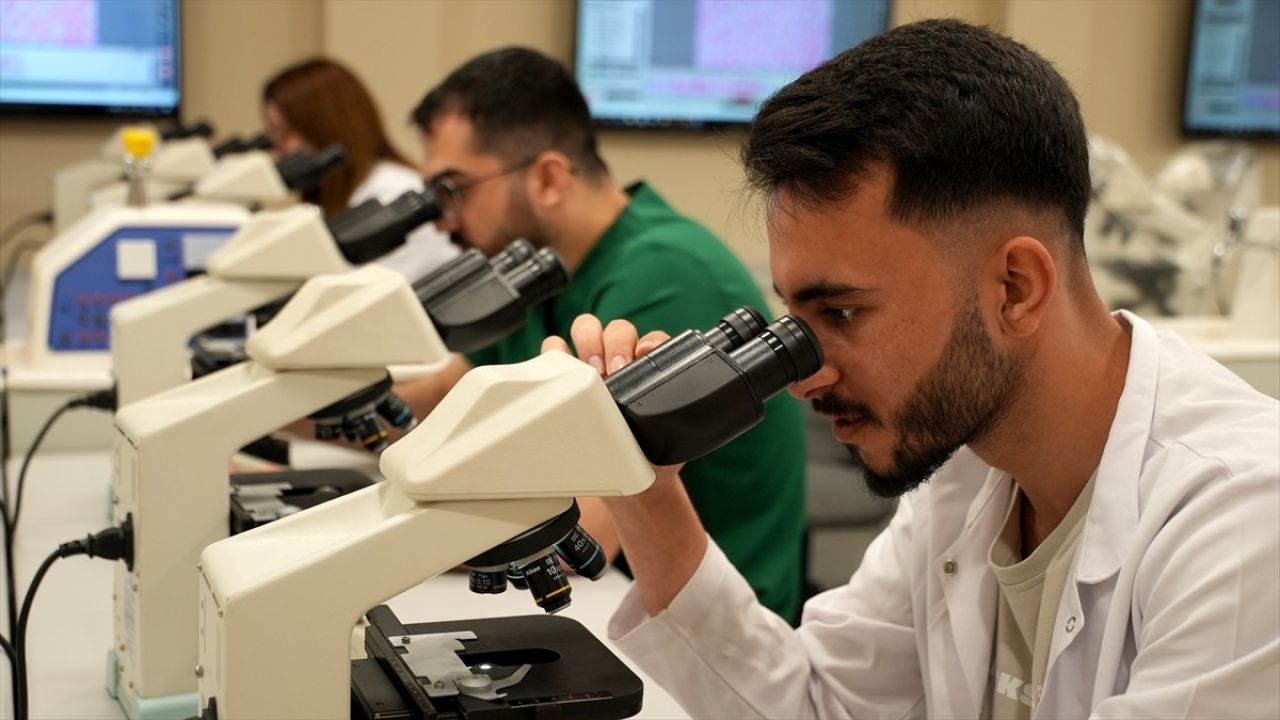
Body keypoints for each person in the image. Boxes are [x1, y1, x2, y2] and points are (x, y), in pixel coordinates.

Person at [548, 19, 1280, 719]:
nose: (804, 378)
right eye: (795, 323)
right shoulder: (967, 470)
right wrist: (644, 486)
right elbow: (816, 709)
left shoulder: (1244, 522)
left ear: (1016, 288)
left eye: (841, 314)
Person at [396, 47, 809, 623]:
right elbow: (442, 395)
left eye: (454, 188)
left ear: (548, 177)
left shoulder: (662, 273)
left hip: (712, 640)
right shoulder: (544, 269)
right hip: (620, 604)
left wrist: (364, 536)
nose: (443, 219)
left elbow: (580, 533)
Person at [263, 57, 456, 280]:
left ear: (327, 126)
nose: (278, 150)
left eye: (284, 133)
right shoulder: (348, 192)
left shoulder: (392, 192)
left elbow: (367, 295)